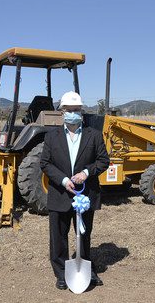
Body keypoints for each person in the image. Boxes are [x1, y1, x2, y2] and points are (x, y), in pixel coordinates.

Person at [40, 91, 110, 290]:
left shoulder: (94, 136)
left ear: (81, 111)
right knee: (58, 235)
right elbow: (45, 163)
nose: (73, 113)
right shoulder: (51, 137)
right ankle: (61, 272)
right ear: (62, 112)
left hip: (85, 195)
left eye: (76, 110)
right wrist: (63, 180)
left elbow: (103, 161)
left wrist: (87, 173)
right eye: (69, 110)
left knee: (84, 234)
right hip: (60, 193)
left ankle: (87, 268)